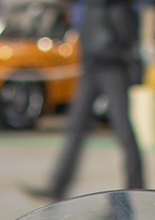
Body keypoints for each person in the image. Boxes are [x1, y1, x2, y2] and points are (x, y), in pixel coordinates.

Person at [23, 0, 144, 200]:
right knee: (76, 127)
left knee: (123, 127)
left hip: (111, 63)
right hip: (92, 61)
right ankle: (57, 187)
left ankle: (137, 189)